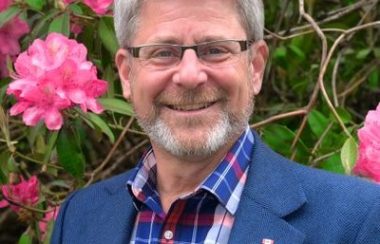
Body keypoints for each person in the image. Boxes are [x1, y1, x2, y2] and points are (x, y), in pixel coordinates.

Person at [52, 0, 380, 243]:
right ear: (126, 74)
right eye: (164, 52)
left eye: (215, 50)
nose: (190, 75)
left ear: (255, 67)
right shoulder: (80, 218)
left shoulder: (358, 219)